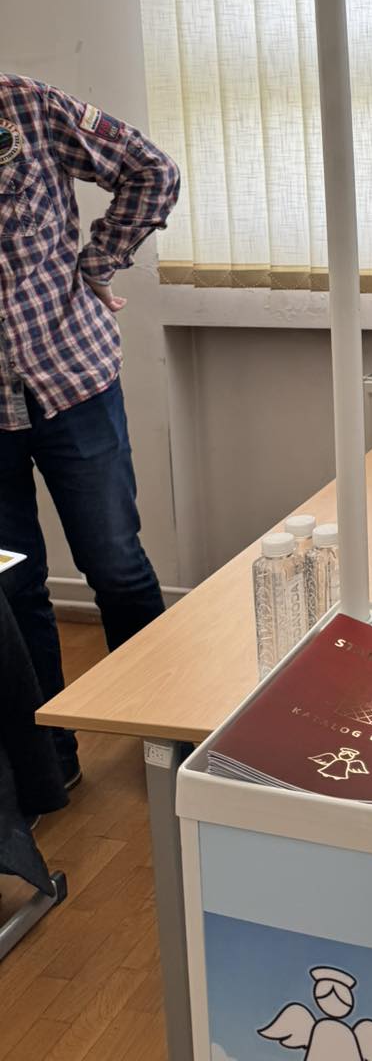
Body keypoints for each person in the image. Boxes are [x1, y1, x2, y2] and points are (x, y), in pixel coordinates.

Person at [0, 76, 179, 787]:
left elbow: (152, 170)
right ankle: (48, 764)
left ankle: (162, 741)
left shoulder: (27, 105)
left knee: (116, 566)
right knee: (14, 587)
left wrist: (98, 262)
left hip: (74, 380)